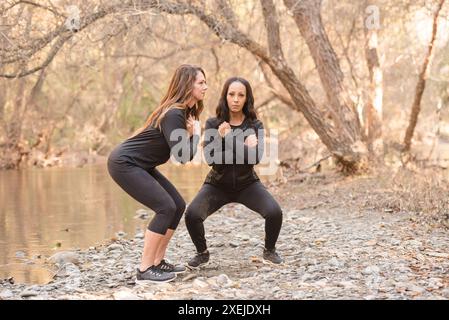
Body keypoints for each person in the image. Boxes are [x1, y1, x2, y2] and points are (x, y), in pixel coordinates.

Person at [107, 64, 208, 283]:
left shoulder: (181, 113)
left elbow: (184, 155)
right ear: (187, 85)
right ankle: (145, 269)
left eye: (204, 82)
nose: (205, 87)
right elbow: (182, 157)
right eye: (201, 82)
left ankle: (157, 262)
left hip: (141, 165)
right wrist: (196, 134)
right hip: (125, 163)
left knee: (177, 205)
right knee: (165, 207)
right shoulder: (174, 114)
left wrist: (191, 135)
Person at [185, 77, 283, 269]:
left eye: (241, 95)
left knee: (274, 212)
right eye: (232, 94)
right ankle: (202, 253)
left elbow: (255, 158)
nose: (236, 99)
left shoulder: (255, 125)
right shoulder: (213, 123)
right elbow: (212, 159)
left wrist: (228, 137)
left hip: (247, 184)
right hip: (217, 184)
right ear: (225, 96)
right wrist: (242, 146)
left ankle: (269, 251)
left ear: (247, 99)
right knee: (192, 215)